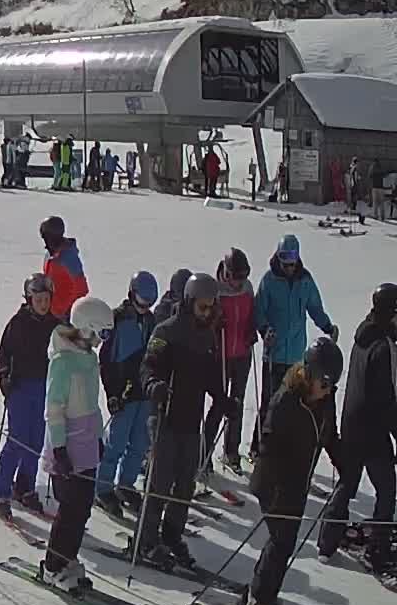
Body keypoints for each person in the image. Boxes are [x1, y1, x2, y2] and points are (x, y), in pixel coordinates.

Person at [249, 338, 343, 605]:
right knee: (281, 541)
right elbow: (268, 447)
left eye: (332, 385)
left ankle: (264, 593)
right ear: (309, 374)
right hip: (273, 483)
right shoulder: (286, 401)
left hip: (297, 483)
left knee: (285, 543)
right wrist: (279, 486)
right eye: (325, 383)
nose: (328, 390)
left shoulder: (324, 399)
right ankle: (258, 601)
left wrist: (346, 465)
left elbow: (329, 435)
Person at [137, 272, 224, 569]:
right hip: (165, 416)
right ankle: (146, 539)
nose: (207, 312)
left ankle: (172, 534)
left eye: (211, 307)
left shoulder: (207, 336)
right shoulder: (166, 331)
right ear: (188, 302)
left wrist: (223, 399)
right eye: (202, 307)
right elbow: (147, 367)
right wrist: (153, 386)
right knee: (159, 482)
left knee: (185, 484)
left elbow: (211, 375)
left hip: (190, 419)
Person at [34, 296, 113, 588]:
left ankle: (68, 558)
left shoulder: (88, 357)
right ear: (87, 327)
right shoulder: (62, 361)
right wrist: (59, 449)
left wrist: (100, 437)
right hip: (67, 444)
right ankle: (53, 565)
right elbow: (54, 408)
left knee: (83, 507)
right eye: (100, 333)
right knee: (68, 509)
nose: (102, 340)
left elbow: (92, 404)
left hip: (87, 443)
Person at [316, 284, 397, 567]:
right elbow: (387, 400)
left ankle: (326, 542)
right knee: (387, 489)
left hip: (352, 421)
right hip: (373, 430)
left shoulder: (364, 333)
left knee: (347, 483)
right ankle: (378, 549)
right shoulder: (383, 349)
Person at [253, 235, 338, 439]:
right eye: (284, 258)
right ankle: (259, 446)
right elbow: (259, 311)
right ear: (278, 256)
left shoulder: (305, 281)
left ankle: (283, 442)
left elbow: (314, 307)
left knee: (292, 403)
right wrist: (265, 330)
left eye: (292, 259)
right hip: (274, 352)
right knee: (270, 401)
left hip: (296, 355)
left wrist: (327, 326)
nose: (288, 265)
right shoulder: (269, 280)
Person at [0, 274, 61, 517]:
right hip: (20, 388)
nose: (43, 303)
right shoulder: (18, 323)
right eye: (38, 299)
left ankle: (25, 486)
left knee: (36, 440)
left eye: (46, 299)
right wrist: (4, 377)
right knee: (18, 439)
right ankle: (0, 490)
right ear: (30, 299)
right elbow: (3, 354)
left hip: (45, 388)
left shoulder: (55, 325)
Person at [95, 272, 161, 519]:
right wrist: (112, 392)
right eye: (142, 302)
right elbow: (106, 361)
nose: (145, 308)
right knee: (116, 442)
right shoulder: (117, 319)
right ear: (131, 293)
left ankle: (126, 484)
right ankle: (102, 487)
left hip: (143, 392)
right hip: (123, 392)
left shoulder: (152, 322)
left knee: (140, 443)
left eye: (149, 304)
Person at [202, 249, 257, 479]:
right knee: (219, 405)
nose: (238, 282)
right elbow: (203, 321)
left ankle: (231, 452)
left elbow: (252, 314)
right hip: (221, 355)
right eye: (235, 277)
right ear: (226, 271)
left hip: (242, 353)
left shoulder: (247, 288)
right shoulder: (214, 291)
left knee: (237, 403)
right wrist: (216, 323)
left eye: (242, 277)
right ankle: (203, 455)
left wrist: (252, 329)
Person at [38, 216, 88, 319]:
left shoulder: (68, 257)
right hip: (50, 311)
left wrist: (68, 312)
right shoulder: (50, 255)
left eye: (46, 237)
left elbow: (82, 288)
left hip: (63, 316)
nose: (45, 241)